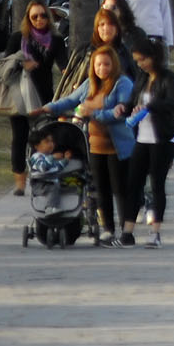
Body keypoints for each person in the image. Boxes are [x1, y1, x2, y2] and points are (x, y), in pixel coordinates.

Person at [40, 45, 135, 242]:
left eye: (106, 64)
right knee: (101, 189)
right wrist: (48, 108)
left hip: (117, 147)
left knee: (120, 189)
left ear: (114, 64)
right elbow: (69, 101)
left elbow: (119, 113)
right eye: (98, 65)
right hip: (95, 146)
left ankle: (126, 230)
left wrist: (94, 113)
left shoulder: (122, 83)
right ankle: (108, 228)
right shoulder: (89, 84)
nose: (102, 68)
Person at [5, 0, 68, 194]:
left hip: (43, 96)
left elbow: (63, 65)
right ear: (28, 19)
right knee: (19, 138)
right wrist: (22, 64)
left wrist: (69, 76)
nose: (39, 19)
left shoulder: (56, 40)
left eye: (43, 15)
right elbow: (5, 63)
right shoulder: (18, 38)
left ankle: (41, 175)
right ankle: (20, 183)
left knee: (44, 138)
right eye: (34, 16)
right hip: (19, 95)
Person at [124, 38, 174, 249]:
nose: (140, 64)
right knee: (133, 184)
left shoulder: (169, 78)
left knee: (157, 184)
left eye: (143, 59)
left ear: (154, 57)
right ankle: (127, 232)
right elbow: (131, 102)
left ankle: (155, 232)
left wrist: (149, 106)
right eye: (137, 61)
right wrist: (124, 108)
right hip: (142, 138)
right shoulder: (141, 78)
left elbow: (170, 103)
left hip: (162, 139)